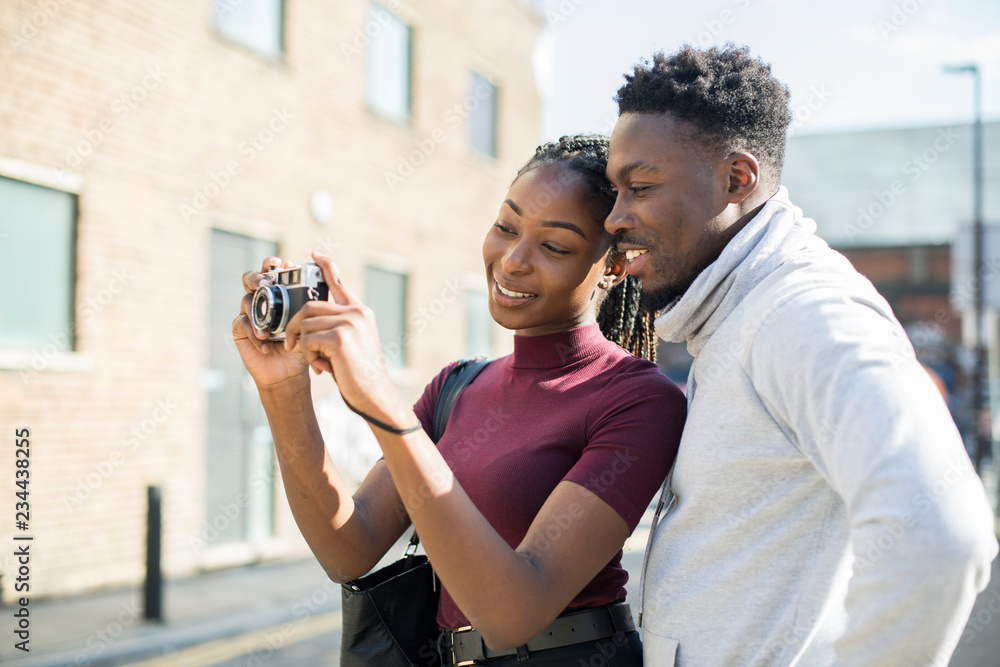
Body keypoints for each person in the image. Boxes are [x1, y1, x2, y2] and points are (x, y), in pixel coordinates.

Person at [605, 44, 999, 666]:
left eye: (641, 187)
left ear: (738, 177)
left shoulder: (803, 312)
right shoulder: (738, 310)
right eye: (614, 191)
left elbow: (939, 536)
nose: (615, 217)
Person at [232, 135, 687, 665]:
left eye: (555, 247)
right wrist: (283, 389)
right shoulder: (458, 387)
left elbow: (513, 612)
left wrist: (381, 399)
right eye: (506, 227)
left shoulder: (638, 399)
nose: (513, 261)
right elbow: (346, 550)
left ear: (611, 265)